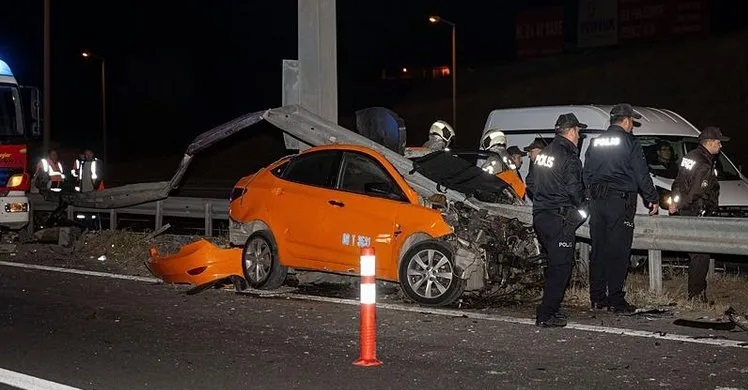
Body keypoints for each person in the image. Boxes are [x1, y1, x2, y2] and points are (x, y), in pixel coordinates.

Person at [583, 103, 660, 314]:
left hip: (597, 203)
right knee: (618, 251)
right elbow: (641, 173)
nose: (632, 126)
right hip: (620, 202)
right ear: (625, 120)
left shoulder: (596, 142)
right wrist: (652, 197)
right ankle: (615, 300)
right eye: (632, 122)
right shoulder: (630, 142)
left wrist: (590, 197)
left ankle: (597, 298)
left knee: (598, 250)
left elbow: (586, 172)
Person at [525, 113, 588, 327]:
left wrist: (545, 199)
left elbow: (531, 184)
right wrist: (582, 207)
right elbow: (574, 190)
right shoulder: (569, 156)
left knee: (554, 265)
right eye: (578, 132)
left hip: (541, 216)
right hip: (559, 217)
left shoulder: (544, 153)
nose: (579, 137)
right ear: (571, 131)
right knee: (561, 268)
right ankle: (546, 314)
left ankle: (551, 307)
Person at [668, 126, 729, 302]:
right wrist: (682, 204)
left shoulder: (690, 157)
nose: (720, 146)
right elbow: (697, 191)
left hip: (686, 210)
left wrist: (675, 203)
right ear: (709, 143)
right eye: (718, 142)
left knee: (696, 254)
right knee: (700, 255)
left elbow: (679, 182)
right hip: (696, 212)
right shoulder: (703, 163)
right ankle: (696, 295)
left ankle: (696, 293)